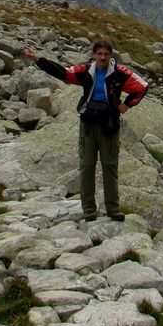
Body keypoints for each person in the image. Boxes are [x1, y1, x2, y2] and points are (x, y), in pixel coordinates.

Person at [23, 39, 148, 221]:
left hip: (109, 124)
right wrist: (38, 60)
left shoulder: (120, 73)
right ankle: (89, 209)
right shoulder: (86, 71)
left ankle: (113, 208)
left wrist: (126, 105)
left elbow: (142, 87)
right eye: (99, 54)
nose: (103, 57)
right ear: (93, 55)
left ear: (111, 56)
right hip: (88, 123)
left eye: (106, 54)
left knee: (109, 165)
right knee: (87, 165)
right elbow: (64, 73)